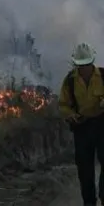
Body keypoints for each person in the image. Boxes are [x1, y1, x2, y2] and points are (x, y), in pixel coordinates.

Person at [59, 43, 104, 206]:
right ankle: (89, 202)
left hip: (102, 124)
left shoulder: (103, 76)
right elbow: (63, 104)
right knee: (85, 171)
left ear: (92, 62)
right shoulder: (70, 81)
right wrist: (71, 115)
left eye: (86, 64)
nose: (83, 68)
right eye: (80, 65)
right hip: (82, 128)